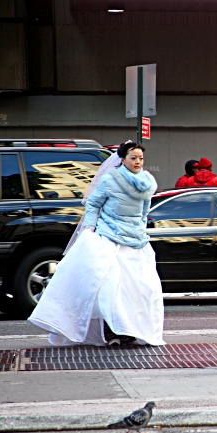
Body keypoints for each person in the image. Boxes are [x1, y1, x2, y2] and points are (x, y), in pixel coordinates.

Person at [28, 141, 165, 347]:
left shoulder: (147, 182)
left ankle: (130, 330)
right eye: (133, 158)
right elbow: (93, 204)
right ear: (122, 159)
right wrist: (89, 228)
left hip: (136, 241)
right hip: (110, 237)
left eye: (141, 158)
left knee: (142, 290)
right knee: (108, 288)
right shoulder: (110, 180)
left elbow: (144, 211)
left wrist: (141, 229)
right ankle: (112, 331)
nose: (138, 162)